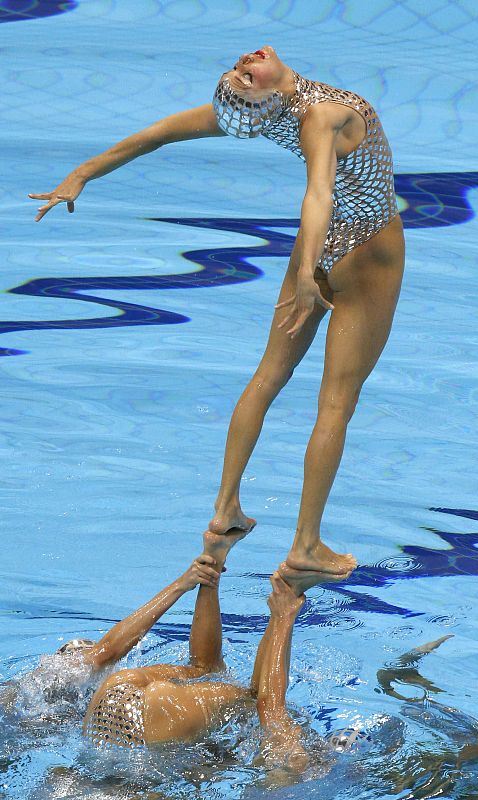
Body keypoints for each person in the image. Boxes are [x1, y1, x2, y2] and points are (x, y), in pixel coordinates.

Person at [29, 45, 405, 574]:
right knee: (336, 404)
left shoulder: (276, 114)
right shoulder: (320, 116)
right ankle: (306, 547)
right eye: (244, 76)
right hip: (369, 252)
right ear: (266, 95)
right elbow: (318, 194)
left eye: (241, 69)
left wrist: (84, 173)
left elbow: (157, 133)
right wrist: (302, 277)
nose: (244, 65)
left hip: (315, 249)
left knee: (269, 375)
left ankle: (225, 510)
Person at [82, 530, 351, 748]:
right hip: (108, 701)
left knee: (249, 699)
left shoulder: (298, 760)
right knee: (214, 676)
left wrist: (284, 617)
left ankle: (288, 589)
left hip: (152, 718)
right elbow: (105, 653)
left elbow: (268, 708)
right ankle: (215, 562)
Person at [0, 553, 221, 714]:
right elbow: (108, 651)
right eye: (81, 652)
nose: (87, 656)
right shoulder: (49, 678)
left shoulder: (75, 702)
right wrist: (182, 584)